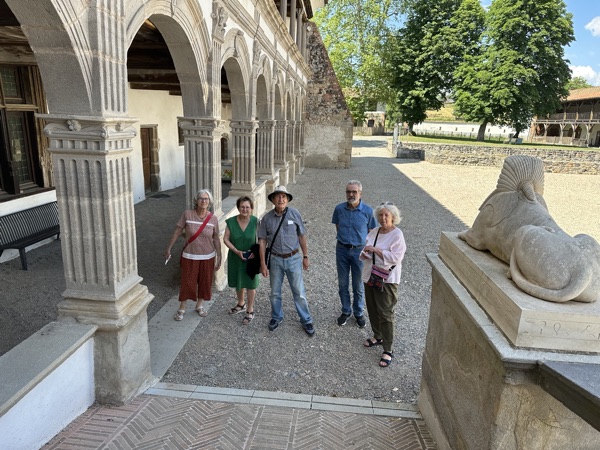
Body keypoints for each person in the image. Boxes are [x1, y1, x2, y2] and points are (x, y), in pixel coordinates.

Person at [258, 185, 315, 336]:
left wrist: (305, 256)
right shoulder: (266, 219)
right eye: (278, 196)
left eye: (284, 196)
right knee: (274, 292)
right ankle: (276, 316)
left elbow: (302, 236)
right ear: (272, 199)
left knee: (299, 292)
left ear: (288, 199)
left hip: (294, 259)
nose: (281, 199)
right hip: (275, 259)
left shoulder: (295, 214)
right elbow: (262, 241)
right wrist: (263, 264)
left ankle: (306, 319)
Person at [360, 202, 406, 367]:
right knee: (372, 308)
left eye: (387, 215)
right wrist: (366, 252)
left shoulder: (397, 234)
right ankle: (378, 336)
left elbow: (397, 257)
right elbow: (366, 249)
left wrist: (376, 251)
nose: (383, 218)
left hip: (387, 278)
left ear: (393, 217)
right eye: (380, 215)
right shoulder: (375, 231)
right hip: (370, 275)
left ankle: (388, 349)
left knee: (386, 312)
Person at [164, 189, 221, 321]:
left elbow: (216, 238)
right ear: (196, 200)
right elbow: (177, 231)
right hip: (190, 255)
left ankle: (199, 306)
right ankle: (182, 308)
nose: (203, 201)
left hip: (208, 256)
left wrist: (220, 255)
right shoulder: (187, 214)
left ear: (210, 202)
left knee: (205, 282)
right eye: (201, 198)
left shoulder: (213, 218)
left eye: (206, 199)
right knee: (187, 283)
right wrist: (168, 248)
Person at [332, 180, 377, 328]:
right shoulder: (339, 209)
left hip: (359, 251)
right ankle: (346, 310)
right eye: (348, 191)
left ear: (360, 193)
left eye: (354, 192)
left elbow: (371, 233)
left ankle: (358, 312)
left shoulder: (368, 212)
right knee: (343, 283)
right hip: (342, 250)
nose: (351, 194)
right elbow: (338, 227)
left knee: (358, 284)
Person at [223, 196, 259, 324]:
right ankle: (241, 303)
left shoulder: (256, 222)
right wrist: (236, 251)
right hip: (236, 256)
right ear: (238, 208)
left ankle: (250, 309)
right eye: (242, 207)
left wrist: (256, 252)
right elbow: (226, 239)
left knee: (251, 283)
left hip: (251, 257)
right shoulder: (231, 222)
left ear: (251, 208)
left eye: (247, 207)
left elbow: (262, 239)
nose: (244, 209)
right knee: (239, 281)